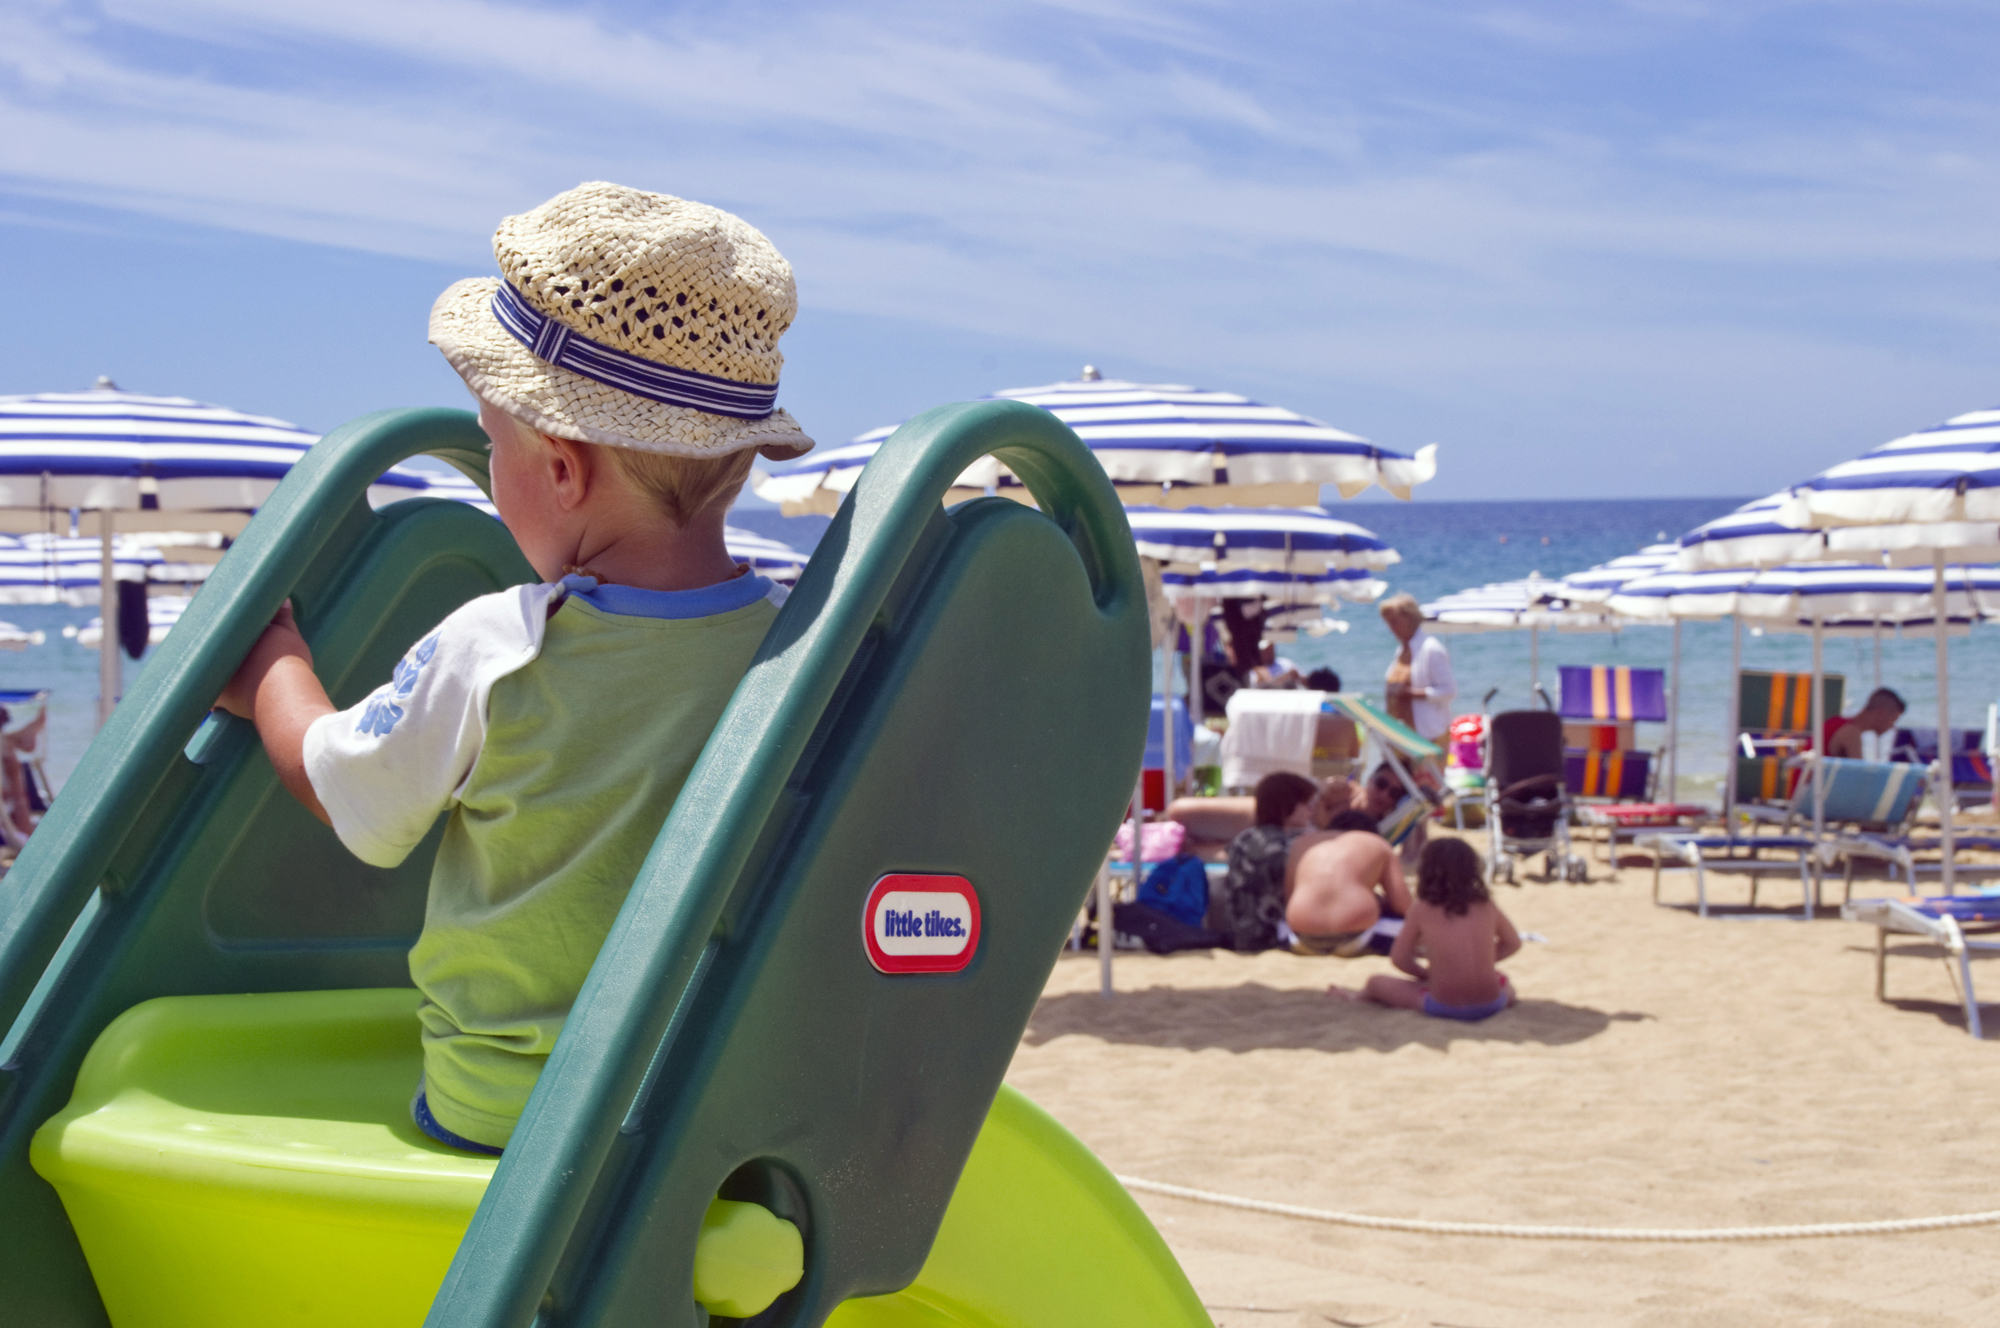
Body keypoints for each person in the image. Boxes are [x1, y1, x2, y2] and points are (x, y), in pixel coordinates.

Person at [216, 183, 814, 1155]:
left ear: (563, 469)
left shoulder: (500, 645)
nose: (486, 471)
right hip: (700, 1119)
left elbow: (344, 785)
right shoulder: (797, 647)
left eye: (493, 446)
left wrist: (271, 669)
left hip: (505, 1112)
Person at [1333, 838, 1521, 1021]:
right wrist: (1484, 962)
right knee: (1505, 982)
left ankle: (1355, 998)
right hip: (1492, 1004)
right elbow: (1513, 943)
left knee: (1375, 982)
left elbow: (1399, 959)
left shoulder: (1422, 908)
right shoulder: (1486, 905)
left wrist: (1425, 974)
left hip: (1443, 1006)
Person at [1284, 808, 1413, 957]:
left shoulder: (1302, 842)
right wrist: (1380, 901)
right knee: (1418, 926)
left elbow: (1289, 897)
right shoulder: (1377, 843)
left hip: (1301, 936)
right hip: (1357, 936)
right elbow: (1404, 907)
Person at [1219, 771, 1320, 951]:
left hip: (1238, 934)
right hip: (1270, 938)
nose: (1311, 810)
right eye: (1305, 803)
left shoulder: (1245, 838)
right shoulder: (1284, 848)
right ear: (1285, 805)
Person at [1378, 593, 1454, 743]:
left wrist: (1412, 694)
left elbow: (1449, 691)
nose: (1391, 628)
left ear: (1410, 619)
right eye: (1389, 623)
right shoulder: (1402, 651)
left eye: (1394, 622)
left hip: (1428, 735)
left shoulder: (1431, 649)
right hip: (1402, 735)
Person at [1823, 687, 1906, 760]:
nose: (1892, 726)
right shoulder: (1851, 733)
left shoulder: (1835, 722)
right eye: (1893, 719)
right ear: (1881, 713)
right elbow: (1859, 775)